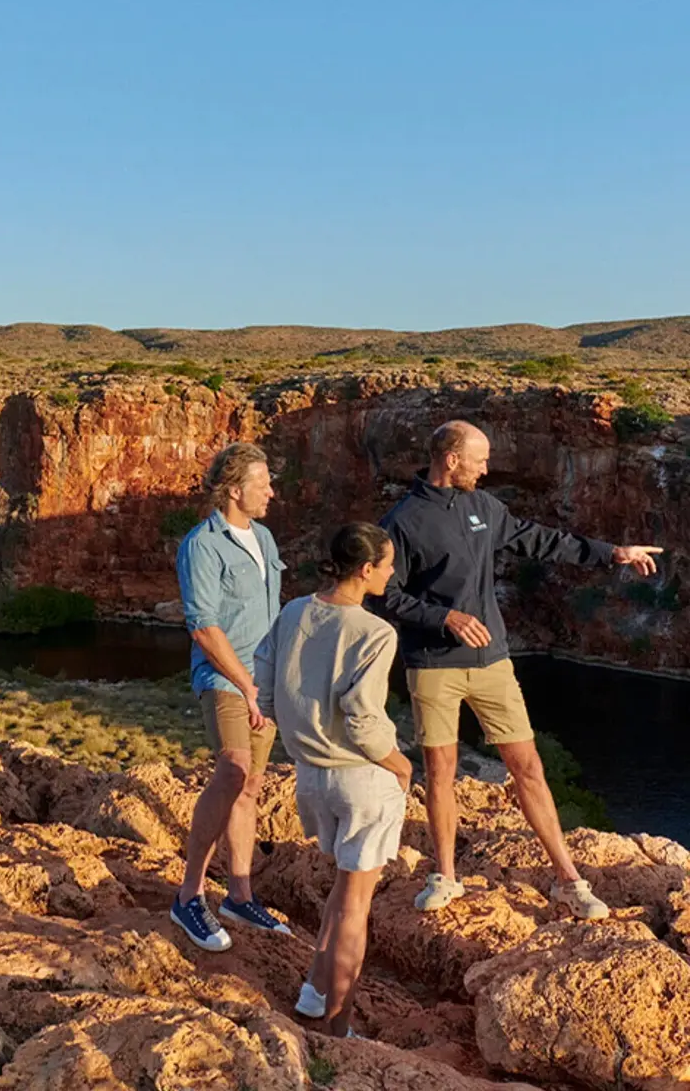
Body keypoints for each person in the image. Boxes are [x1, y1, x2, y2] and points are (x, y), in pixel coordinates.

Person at [379, 420, 662, 918]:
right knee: (440, 772)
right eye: (479, 459)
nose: (486, 469)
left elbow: (541, 540)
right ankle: (444, 876)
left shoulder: (482, 507)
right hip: (433, 664)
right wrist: (445, 617)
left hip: (492, 663)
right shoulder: (402, 521)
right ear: (450, 459)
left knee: (528, 766)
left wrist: (612, 554)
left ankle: (569, 881)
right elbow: (387, 593)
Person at [255, 522, 410, 1037]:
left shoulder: (294, 611)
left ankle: (312, 995)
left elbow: (268, 685)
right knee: (355, 906)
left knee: (343, 894)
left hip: (310, 777)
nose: (391, 574)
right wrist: (398, 763)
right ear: (366, 570)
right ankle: (338, 1028)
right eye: (387, 566)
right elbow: (363, 717)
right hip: (362, 779)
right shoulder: (375, 632)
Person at [170, 442, 290, 951]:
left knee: (252, 785)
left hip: (265, 679)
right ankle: (188, 897)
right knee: (233, 769)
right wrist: (245, 684)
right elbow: (203, 627)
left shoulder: (262, 536)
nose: (271, 490)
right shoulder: (203, 544)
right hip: (227, 679)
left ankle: (239, 897)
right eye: (263, 482)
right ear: (235, 489)